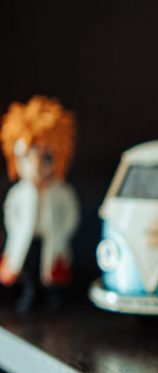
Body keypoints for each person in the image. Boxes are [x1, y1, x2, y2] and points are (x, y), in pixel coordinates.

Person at [0, 96, 79, 312]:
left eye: (46, 158)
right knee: (28, 271)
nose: (36, 166)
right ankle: (29, 294)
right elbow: (11, 214)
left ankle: (52, 299)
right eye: (28, 156)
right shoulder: (20, 193)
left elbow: (71, 215)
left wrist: (63, 231)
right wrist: (15, 230)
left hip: (52, 238)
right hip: (26, 239)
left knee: (53, 272)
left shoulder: (61, 192)